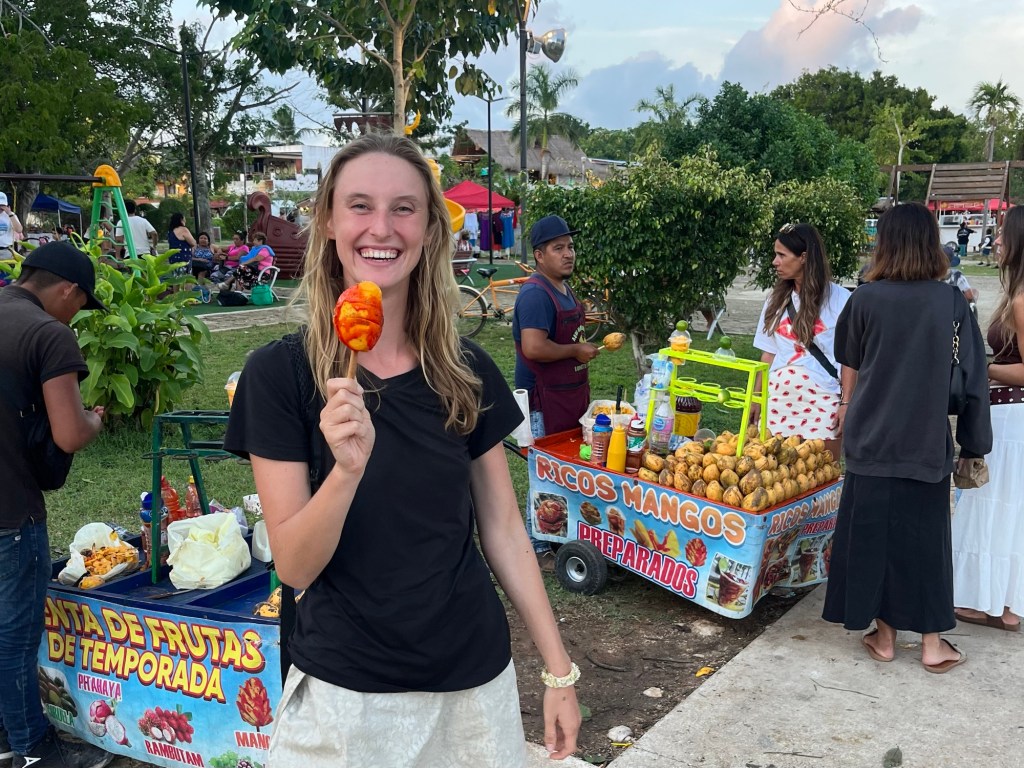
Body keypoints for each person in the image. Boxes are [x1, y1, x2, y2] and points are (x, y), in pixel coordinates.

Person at [222, 134, 580, 767]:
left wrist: (558, 670)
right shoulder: (279, 376)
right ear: (329, 222)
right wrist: (345, 471)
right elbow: (295, 567)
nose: (382, 228)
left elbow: (502, 529)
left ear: (431, 229)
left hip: (472, 685)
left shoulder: (465, 370)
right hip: (345, 695)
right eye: (360, 206)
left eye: (404, 208)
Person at [822, 202, 992, 673]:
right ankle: (933, 644)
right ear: (931, 243)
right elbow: (973, 381)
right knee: (926, 542)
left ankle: (884, 637)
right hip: (925, 441)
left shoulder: (864, 300)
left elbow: (850, 362)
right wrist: (974, 445)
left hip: (871, 438)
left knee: (873, 539)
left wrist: (846, 406)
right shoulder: (952, 302)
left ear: (886, 244)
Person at [0, 241, 113, 768]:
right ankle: (33, 749)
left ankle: (5, 736)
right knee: (15, 638)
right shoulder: (48, 333)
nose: (76, 315)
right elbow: (69, 434)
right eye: (81, 304)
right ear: (68, 290)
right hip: (11, 512)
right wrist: (94, 420)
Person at [952, 205, 1024, 632]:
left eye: (1002, 234)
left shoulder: (1021, 300)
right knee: (1006, 509)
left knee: (992, 505)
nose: (995, 241)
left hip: (1012, 415)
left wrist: (982, 368)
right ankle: (1004, 602)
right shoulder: (1015, 294)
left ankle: (988, 601)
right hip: (1009, 412)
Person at [512, 215, 599, 571]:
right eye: (558, 248)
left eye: (571, 247)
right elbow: (533, 347)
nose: (568, 254)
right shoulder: (536, 294)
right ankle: (537, 547)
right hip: (542, 400)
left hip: (569, 395)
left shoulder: (564, 288)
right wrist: (575, 351)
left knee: (562, 471)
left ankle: (559, 536)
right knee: (545, 474)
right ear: (539, 255)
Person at [752, 223, 855, 456]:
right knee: (773, 471)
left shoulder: (841, 300)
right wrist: (756, 398)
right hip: (777, 402)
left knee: (822, 470)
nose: (775, 262)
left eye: (782, 255)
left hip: (823, 402)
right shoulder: (775, 301)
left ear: (804, 257)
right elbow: (768, 353)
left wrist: (846, 403)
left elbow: (850, 358)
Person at [166, 212, 196, 277]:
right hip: (183, 258)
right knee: (186, 278)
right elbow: (193, 243)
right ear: (181, 220)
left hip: (173, 258)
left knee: (176, 278)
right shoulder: (183, 229)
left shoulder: (170, 231)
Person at [0, 192, 24, 258]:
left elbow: (19, 230)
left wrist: (10, 214)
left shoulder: (11, 215)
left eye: (2, 205)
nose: (1, 208)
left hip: (6, 250)